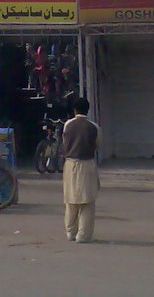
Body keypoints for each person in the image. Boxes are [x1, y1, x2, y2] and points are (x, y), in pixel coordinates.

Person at [62, 98, 100, 243]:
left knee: (71, 200)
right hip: (87, 165)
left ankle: (70, 232)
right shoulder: (94, 127)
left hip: (70, 164)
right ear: (88, 110)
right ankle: (83, 235)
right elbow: (97, 145)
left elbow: (65, 143)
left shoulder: (67, 125)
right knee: (87, 201)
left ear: (74, 110)